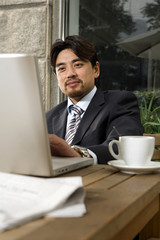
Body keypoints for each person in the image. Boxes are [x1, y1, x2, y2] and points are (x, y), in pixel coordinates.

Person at [46, 35, 143, 164]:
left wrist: (80, 155)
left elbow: (123, 144)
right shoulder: (49, 117)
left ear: (96, 70)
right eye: (62, 69)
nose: (70, 74)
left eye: (78, 65)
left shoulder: (120, 102)